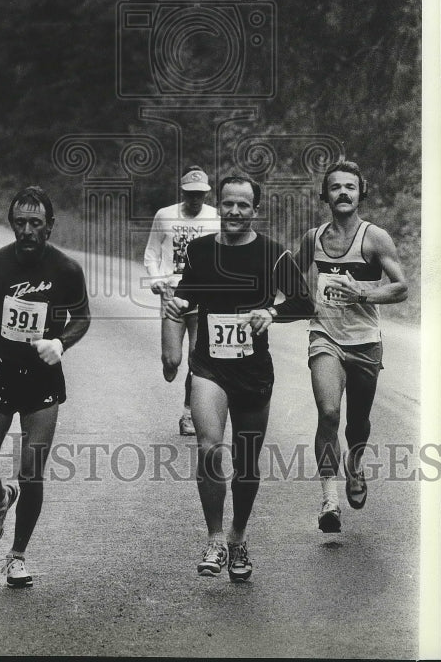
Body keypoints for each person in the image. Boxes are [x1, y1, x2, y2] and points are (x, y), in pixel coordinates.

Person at [165, 174, 313, 582]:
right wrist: (179, 301)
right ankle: (214, 538)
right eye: (228, 204)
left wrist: (272, 313)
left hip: (253, 371)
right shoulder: (198, 250)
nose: (234, 211)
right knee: (210, 448)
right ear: (220, 206)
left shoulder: (273, 254)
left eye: (243, 205)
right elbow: (189, 291)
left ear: (255, 210)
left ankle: (238, 537)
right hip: (209, 366)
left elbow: (304, 302)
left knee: (246, 463)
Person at [0, 186, 91, 588]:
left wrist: (61, 342)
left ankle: (17, 556)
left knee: (31, 472)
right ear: (11, 224)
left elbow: (82, 317)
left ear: (50, 227)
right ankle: (1, 498)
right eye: (20, 223)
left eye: (36, 223)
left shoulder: (67, 270)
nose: (28, 231)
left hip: (42, 382)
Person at [295, 160, 408, 534]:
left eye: (350, 187)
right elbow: (291, 280)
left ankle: (355, 465)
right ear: (324, 195)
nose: (343, 192)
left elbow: (401, 287)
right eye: (335, 187)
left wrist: (363, 291)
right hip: (325, 336)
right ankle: (329, 498)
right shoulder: (313, 238)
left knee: (356, 423)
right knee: (328, 414)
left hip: (365, 343)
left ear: (361, 193)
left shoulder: (374, 238)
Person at [144, 165, 220, 435]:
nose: (195, 199)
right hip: (173, 294)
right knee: (173, 359)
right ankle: (168, 363)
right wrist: (155, 278)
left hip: (202, 297)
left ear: (207, 193)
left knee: (196, 361)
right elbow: (151, 253)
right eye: (190, 193)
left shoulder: (216, 218)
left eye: (200, 193)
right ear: (183, 192)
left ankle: (188, 414)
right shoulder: (165, 216)